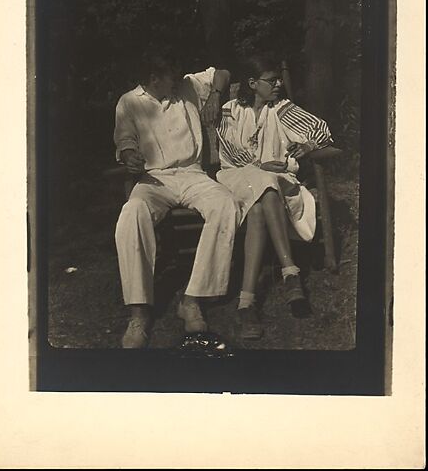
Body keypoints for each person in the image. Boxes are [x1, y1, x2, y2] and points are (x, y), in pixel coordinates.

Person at [114, 53, 239, 348]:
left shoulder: (187, 86)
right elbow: (125, 141)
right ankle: (139, 313)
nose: (178, 79)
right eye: (170, 76)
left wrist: (214, 98)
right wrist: (131, 156)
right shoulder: (129, 102)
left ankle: (192, 298)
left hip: (193, 174)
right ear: (154, 79)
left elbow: (222, 72)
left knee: (226, 205)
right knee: (132, 213)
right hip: (154, 179)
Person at [216, 53, 333, 340]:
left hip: (274, 182)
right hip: (236, 177)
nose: (279, 84)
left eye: (279, 79)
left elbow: (321, 129)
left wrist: (307, 146)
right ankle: (290, 272)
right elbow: (229, 149)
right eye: (272, 80)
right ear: (253, 83)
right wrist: (259, 164)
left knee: (261, 201)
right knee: (265, 181)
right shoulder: (231, 110)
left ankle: (246, 302)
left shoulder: (282, 109)